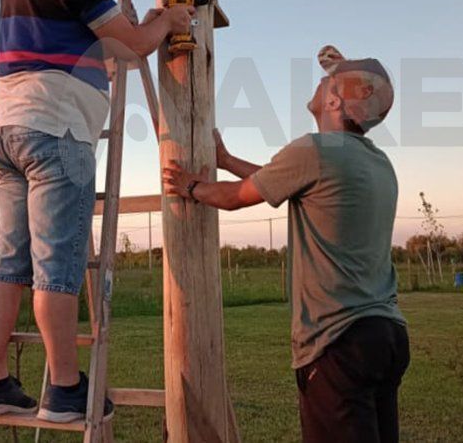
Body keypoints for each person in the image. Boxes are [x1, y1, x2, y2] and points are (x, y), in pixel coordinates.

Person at [0, 0, 194, 423]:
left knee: (6, 264)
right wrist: (165, 22)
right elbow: (135, 44)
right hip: (57, 131)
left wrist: (125, 33)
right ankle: (65, 391)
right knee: (57, 269)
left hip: (6, 128)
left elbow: (94, 43)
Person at [161, 45, 409, 443]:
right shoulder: (375, 162)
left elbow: (234, 198)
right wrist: (225, 160)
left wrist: (190, 185)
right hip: (387, 337)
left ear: (332, 99)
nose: (318, 83)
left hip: (338, 342)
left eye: (326, 81)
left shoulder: (315, 150)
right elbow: (280, 182)